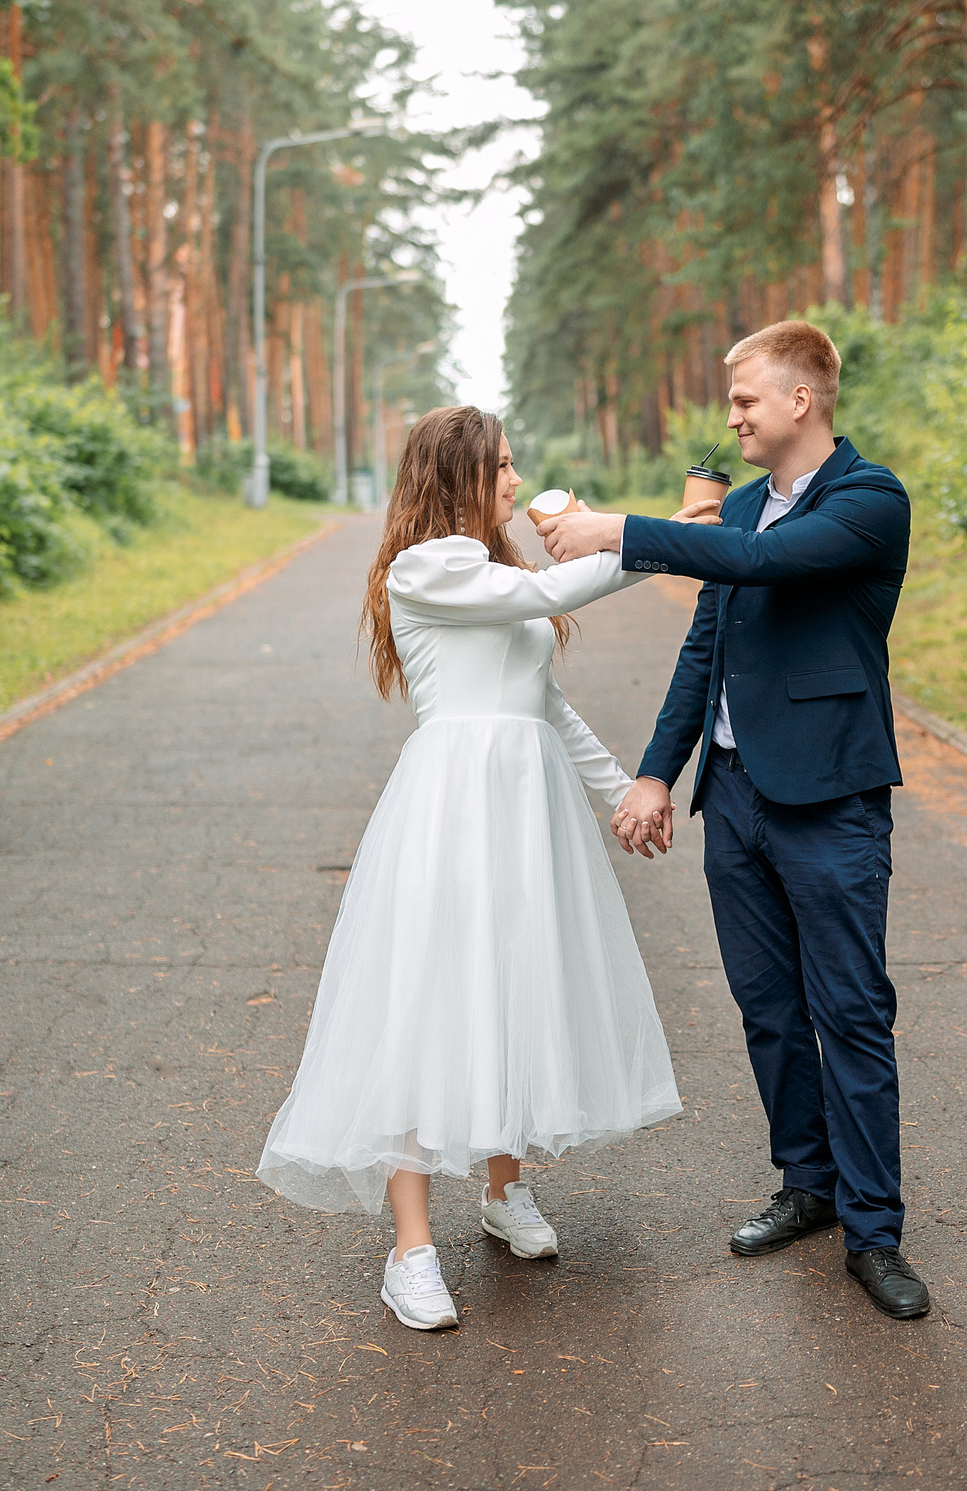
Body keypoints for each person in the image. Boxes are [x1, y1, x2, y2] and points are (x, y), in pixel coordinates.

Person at [535, 320, 927, 1321]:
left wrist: (618, 529)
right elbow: (705, 643)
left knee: (849, 1013)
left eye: (746, 400)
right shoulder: (742, 505)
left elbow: (763, 566)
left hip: (831, 797)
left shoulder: (869, 500)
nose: (732, 418)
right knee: (767, 1010)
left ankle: (873, 1231)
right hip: (737, 798)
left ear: (802, 400)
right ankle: (807, 1185)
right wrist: (658, 773)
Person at [256, 406, 680, 1332]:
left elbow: (547, 701)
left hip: (528, 809)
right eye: (501, 468)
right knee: (428, 1003)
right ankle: (410, 1251)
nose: (517, 484)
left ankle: (504, 1191)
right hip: (452, 805)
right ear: (457, 478)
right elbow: (549, 599)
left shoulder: (499, 571)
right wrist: (665, 537)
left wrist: (619, 791)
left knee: (518, 983)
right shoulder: (428, 567)